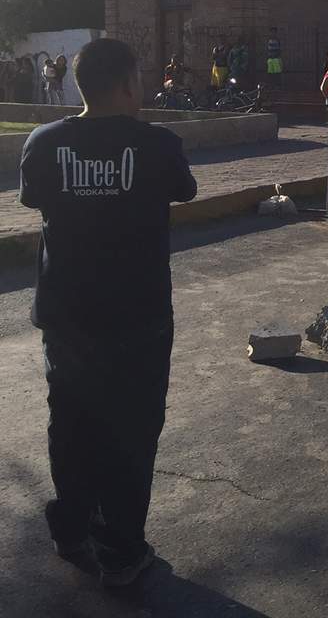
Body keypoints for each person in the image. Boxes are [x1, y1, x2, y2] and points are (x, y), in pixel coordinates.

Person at [19, 38, 197, 586]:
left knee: (70, 422)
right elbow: (183, 191)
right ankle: (121, 549)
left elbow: (33, 200)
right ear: (127, 84)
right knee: (133, 430)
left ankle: (72, 528)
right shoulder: (158, 145)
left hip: (67, 313)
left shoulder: (44, 142)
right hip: (137, 318)